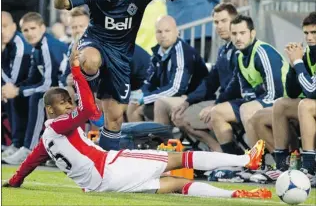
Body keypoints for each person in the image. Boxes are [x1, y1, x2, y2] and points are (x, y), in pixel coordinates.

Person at [2, 47, 271, 200]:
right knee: (180, 158)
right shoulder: (60, 124)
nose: (68, 106)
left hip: (101, 184)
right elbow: (88, 111)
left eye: (69, 102)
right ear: (50, 109)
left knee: (176, 184)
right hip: (111, 165)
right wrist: (77, 73)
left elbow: (27, 165)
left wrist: (14, 182)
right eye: (63, 103)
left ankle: (238, 194)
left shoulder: (46, 141)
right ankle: (246, 161)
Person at [54, 0, 186, 151]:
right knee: (89, 61)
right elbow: (60, 4)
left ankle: (107, 163)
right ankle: (89, 101)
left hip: (121, 58)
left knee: (114, 119)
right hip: (95, 43)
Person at [154, 3, 240, 152]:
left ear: (235, 21)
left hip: (237, 103)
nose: (219, 26)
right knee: (176, 111)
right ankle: (166, 153)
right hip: (221, 101)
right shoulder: (223, 50)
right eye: (216, 22)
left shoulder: (241, 49)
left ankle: (219, 150)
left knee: (180, 116)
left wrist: (216, 105)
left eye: (224, 21)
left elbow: (236, 85)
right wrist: (188, 101)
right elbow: (210, 82)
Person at [208, 15, 289, 155]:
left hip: (282, 100)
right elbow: (244, 90)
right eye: (234, 34)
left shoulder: (262, 52)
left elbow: (276, 92)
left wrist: (253, 102)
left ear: (252, 33)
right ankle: (235, 160)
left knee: (246, 109)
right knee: (217, 112)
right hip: (260, 99)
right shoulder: (239, 56)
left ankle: (257, 164)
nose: (238, 38)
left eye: (242, 33)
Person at [2, 12, 68, 165]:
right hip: (58, 89)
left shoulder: (47, 45)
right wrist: (14, 91)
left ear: (42, 28)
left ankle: (29, 149)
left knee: (38, 98)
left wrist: (18, 90)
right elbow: (32, 79)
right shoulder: (36, 48)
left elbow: (49, 84)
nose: (29, 33)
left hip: (70, 90)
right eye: (25, 30)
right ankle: (17, 144)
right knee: (18, 95)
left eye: (33, 28)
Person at [127, 15, 208, 122]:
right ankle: (139, 139)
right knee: (132, 105)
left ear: (176, 32)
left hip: (191, 99)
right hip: (171, 98)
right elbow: (149, 82)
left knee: (160, 104)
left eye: (167, 31)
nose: (163, 35)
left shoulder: (182, 52)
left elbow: (176, 89)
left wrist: (145, 98)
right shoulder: (157, 52)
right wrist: (139, 95)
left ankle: (160, 139)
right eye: (159, 32)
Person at [271, 12, 316, 185]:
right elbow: (291, 92)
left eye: (314, 33)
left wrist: (298, 63)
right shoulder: (308, 55)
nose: (309, 38)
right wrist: (293, 66)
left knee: (306, 105)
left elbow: (312, 91)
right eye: (306, 33)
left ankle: (309, 168)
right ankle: (281, 165)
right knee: (280, 105)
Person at [1, 12, 32, 158]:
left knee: (13, 95)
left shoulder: (19, 43)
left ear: (14, 27)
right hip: (16, 86)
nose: (1, 31)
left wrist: (4, 90)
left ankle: (18, 144)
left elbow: (15, 77)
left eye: (4, 26)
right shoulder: (6, 45)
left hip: (30, 86)